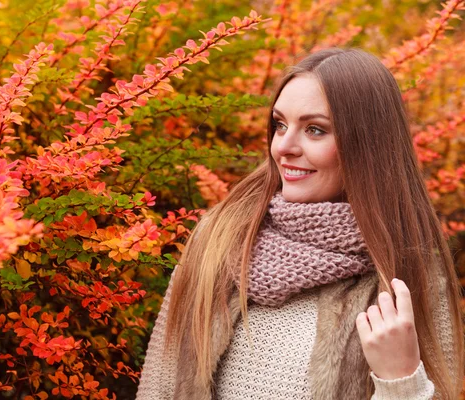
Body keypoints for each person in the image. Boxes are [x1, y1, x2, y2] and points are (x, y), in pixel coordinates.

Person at [135, 48, 463, 400]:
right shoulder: (219, 239)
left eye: (315, 130)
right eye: (280, 124)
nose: (284, 147)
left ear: (366, 145)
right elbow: (160, 386)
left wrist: (401, 381)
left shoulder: (409, 269)